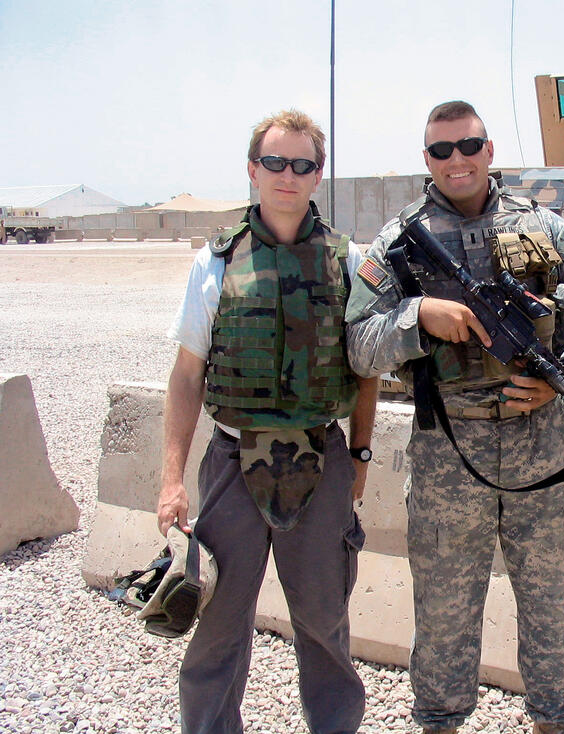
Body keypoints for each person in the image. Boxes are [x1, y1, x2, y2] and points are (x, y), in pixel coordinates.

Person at [344, 101, 564, 734]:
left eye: (468, 145)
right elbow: (359, 344)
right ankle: (441, 721)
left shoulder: (547, 230)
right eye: (441, 150)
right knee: (444, 614)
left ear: (489, 149)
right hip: (449, 458)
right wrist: (418, 318)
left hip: (545, 452)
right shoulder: (396, 244)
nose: (457, 160)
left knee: (551, 607)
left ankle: (555, 721)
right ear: (426, 160)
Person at [157, 108, 378, 734]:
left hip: (321, 459)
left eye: (302, 164)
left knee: (322, 620)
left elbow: (367, 372)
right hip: (232, 462)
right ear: (253, 170)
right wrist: (172, 479)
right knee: (219, 624)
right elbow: (186, 376)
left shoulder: (347, 261)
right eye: (275, 163)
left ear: (318, 175)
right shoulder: (216, 261)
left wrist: (359, 457)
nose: (288, 175)